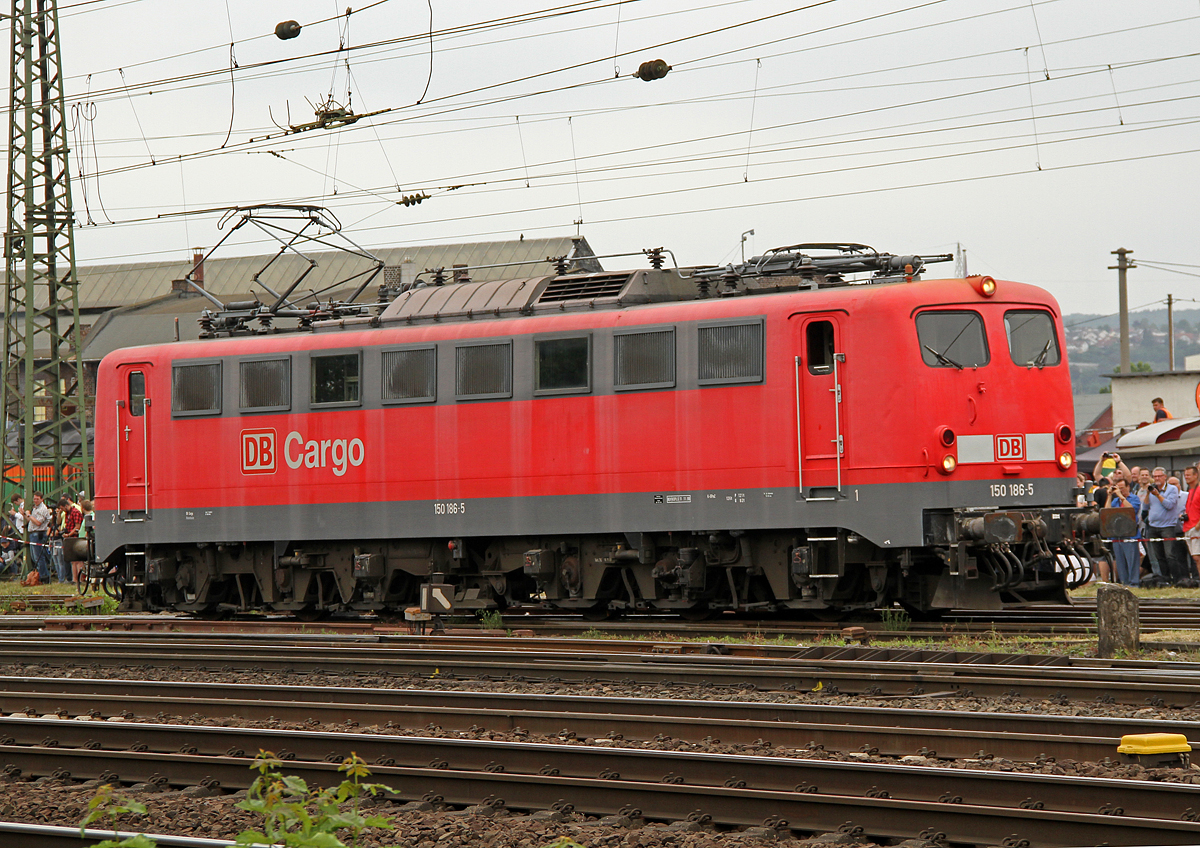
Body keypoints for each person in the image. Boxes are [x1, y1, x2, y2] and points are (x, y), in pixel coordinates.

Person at [1145, 466, 1189, 586]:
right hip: (1153, 526)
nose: (1157, 478)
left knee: (1170, 555)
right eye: (1155, 476)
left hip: (1167, 526)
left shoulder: (1172, 489)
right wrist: (1148, 493)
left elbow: (1169, 505)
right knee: (1159, 556)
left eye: (1159, 476)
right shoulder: (1152, 489)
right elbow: (1145, 507)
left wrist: (1158, 495)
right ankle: (1165, 579)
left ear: (1165, 477)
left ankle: (1176, 579)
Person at [1110, 475, 1142, 586]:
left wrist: (1121, 496)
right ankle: (1124, 582)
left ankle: (1134, 582)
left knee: (1132, 560)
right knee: (1120, 561)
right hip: (1117, 534)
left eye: (1122, 488)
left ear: (1128, 487)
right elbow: (1107, 510)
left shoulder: (1134, 498)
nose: (1120, 491)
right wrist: (1109, 496)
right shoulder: (1115, 501)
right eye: (1118, 488)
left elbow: (1131, 510)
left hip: (1130, 534)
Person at [25, 491, 52, 583]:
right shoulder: (36, 508)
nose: (35, 500)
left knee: (39, 557)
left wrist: (29, 515)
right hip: (33, 533)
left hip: (39, 534)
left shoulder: (43, 509)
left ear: (42, 499)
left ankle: (44, 577)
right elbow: (31, 520)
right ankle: (39, 576)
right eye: (34, 499)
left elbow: (38, 522)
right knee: (34, 557)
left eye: (37, 499)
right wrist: (24, 514)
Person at [1183, 465, 1200, 586]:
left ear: (1196, 475)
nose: (1186, 477)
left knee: (1197, 557)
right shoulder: (1190, 491)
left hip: (1196, 527)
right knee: (1195, 558)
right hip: (1188, 526)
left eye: (1189, 475)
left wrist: (1198, 525)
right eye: (1185, 475)